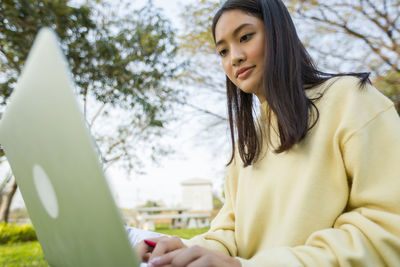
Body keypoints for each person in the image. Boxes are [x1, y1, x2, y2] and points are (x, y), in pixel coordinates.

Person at [135, 0, 400, 266]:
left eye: (245, 37)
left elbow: (387, 228)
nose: (234, 57)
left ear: (278, 33)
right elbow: (228, 235)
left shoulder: (350, 99)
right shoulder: (245, 148)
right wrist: (176, 250)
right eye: (223, 51)